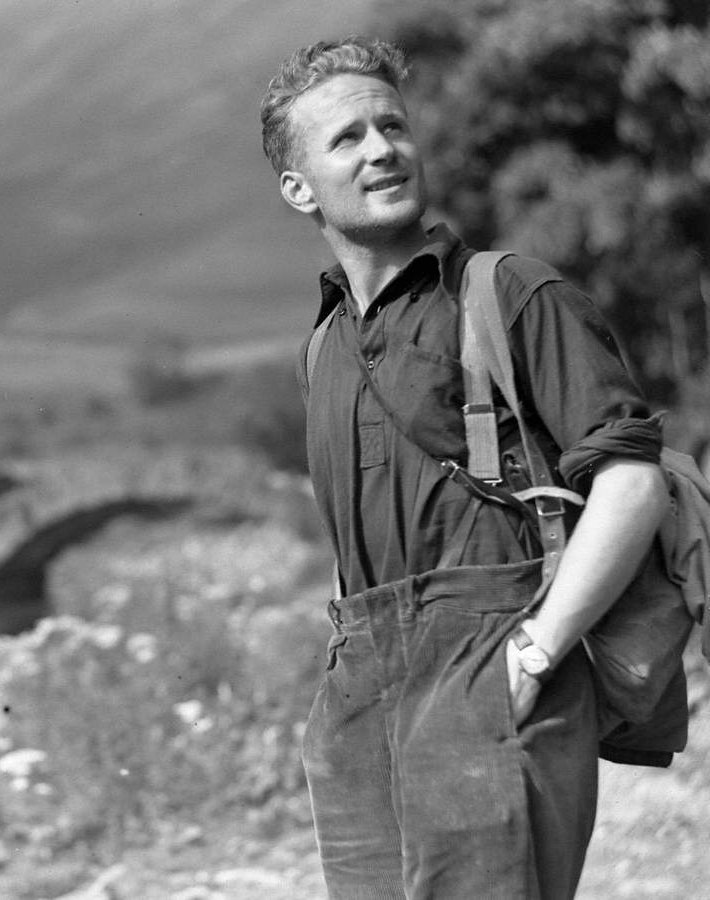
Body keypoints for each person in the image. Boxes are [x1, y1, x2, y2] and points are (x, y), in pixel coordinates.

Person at [260, 38, 670, 899]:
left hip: (492, 660)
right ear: (298, 188)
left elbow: (633, 482)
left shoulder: (511, 293)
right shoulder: (323, 345)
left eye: (393, 126)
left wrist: (533, 653)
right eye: (347, 138)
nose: (382, 150)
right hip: (359, 694)